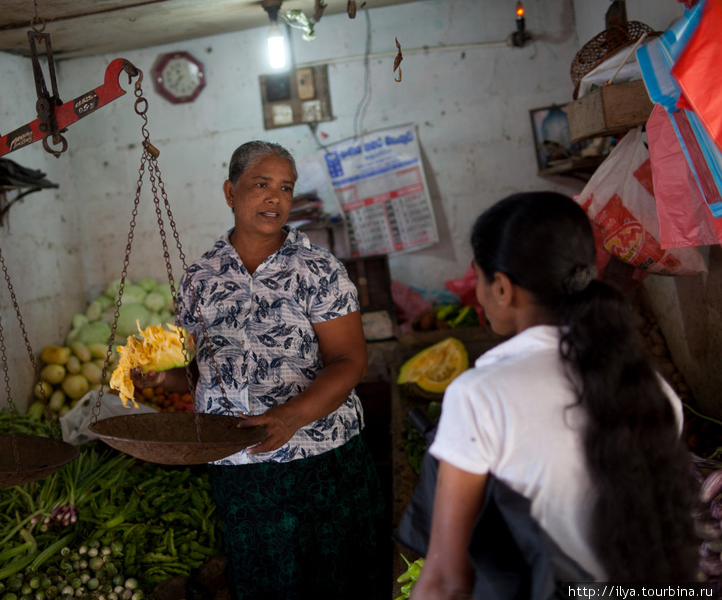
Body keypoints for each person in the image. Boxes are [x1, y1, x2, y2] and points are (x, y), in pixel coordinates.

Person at [408, 192, 698, 599]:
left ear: (503, 288)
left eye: (479, 279)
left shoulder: (479, 396)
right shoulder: (653, 388)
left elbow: (445, 583)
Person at [134, 140, 386, 599]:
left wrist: (291, 416)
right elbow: (200, 372)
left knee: (336, 577)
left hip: (320, 456)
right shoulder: (200, 278)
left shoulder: (318, 270)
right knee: (264, 580)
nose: (276, 198)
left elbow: (350, 361)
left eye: (286, 188)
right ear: (231, 193)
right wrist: (161, 377)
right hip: (238, 462)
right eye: (261, 185)